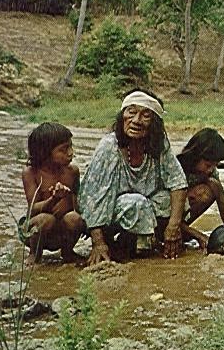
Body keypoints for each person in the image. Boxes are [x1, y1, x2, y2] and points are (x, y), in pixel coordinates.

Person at [78, 89, 188, 265]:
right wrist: (98, 243)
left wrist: (173, 226)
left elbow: (178, 182)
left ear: (154, 124)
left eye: (145, 115)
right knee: (135, 203)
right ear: (122, 116)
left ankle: (153, 239)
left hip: (144, 210)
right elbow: (93, 198)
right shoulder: (109, 147)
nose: (136, 121)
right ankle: (121, 244)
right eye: (131, 112)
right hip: (113, 213)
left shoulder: (159, 145)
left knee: (170, 200)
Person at [20, 122, 86, 266]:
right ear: (45, 153)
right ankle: (34, 254)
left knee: (75, 219)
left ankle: (68, 252)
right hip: (37, 230)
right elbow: (33, 210)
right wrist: (54, 199)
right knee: (44, 219)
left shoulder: (72, 172)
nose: (71, 152)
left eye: (70, 146)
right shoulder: (31, 173)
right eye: (63, 149)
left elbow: (77, 206)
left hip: (62, 230)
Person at [177, 128, 224, 250]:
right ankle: (180, 231)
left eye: (215, 165)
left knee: (213, 186)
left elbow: (223, 202)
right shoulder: (176, 170)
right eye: (208, 165)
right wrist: (198, 235)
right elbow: (163, 213)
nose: (211, 170)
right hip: (164, 218)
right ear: (195, 156)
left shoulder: (210, 174)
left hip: (180, 220)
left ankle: (183, 231)